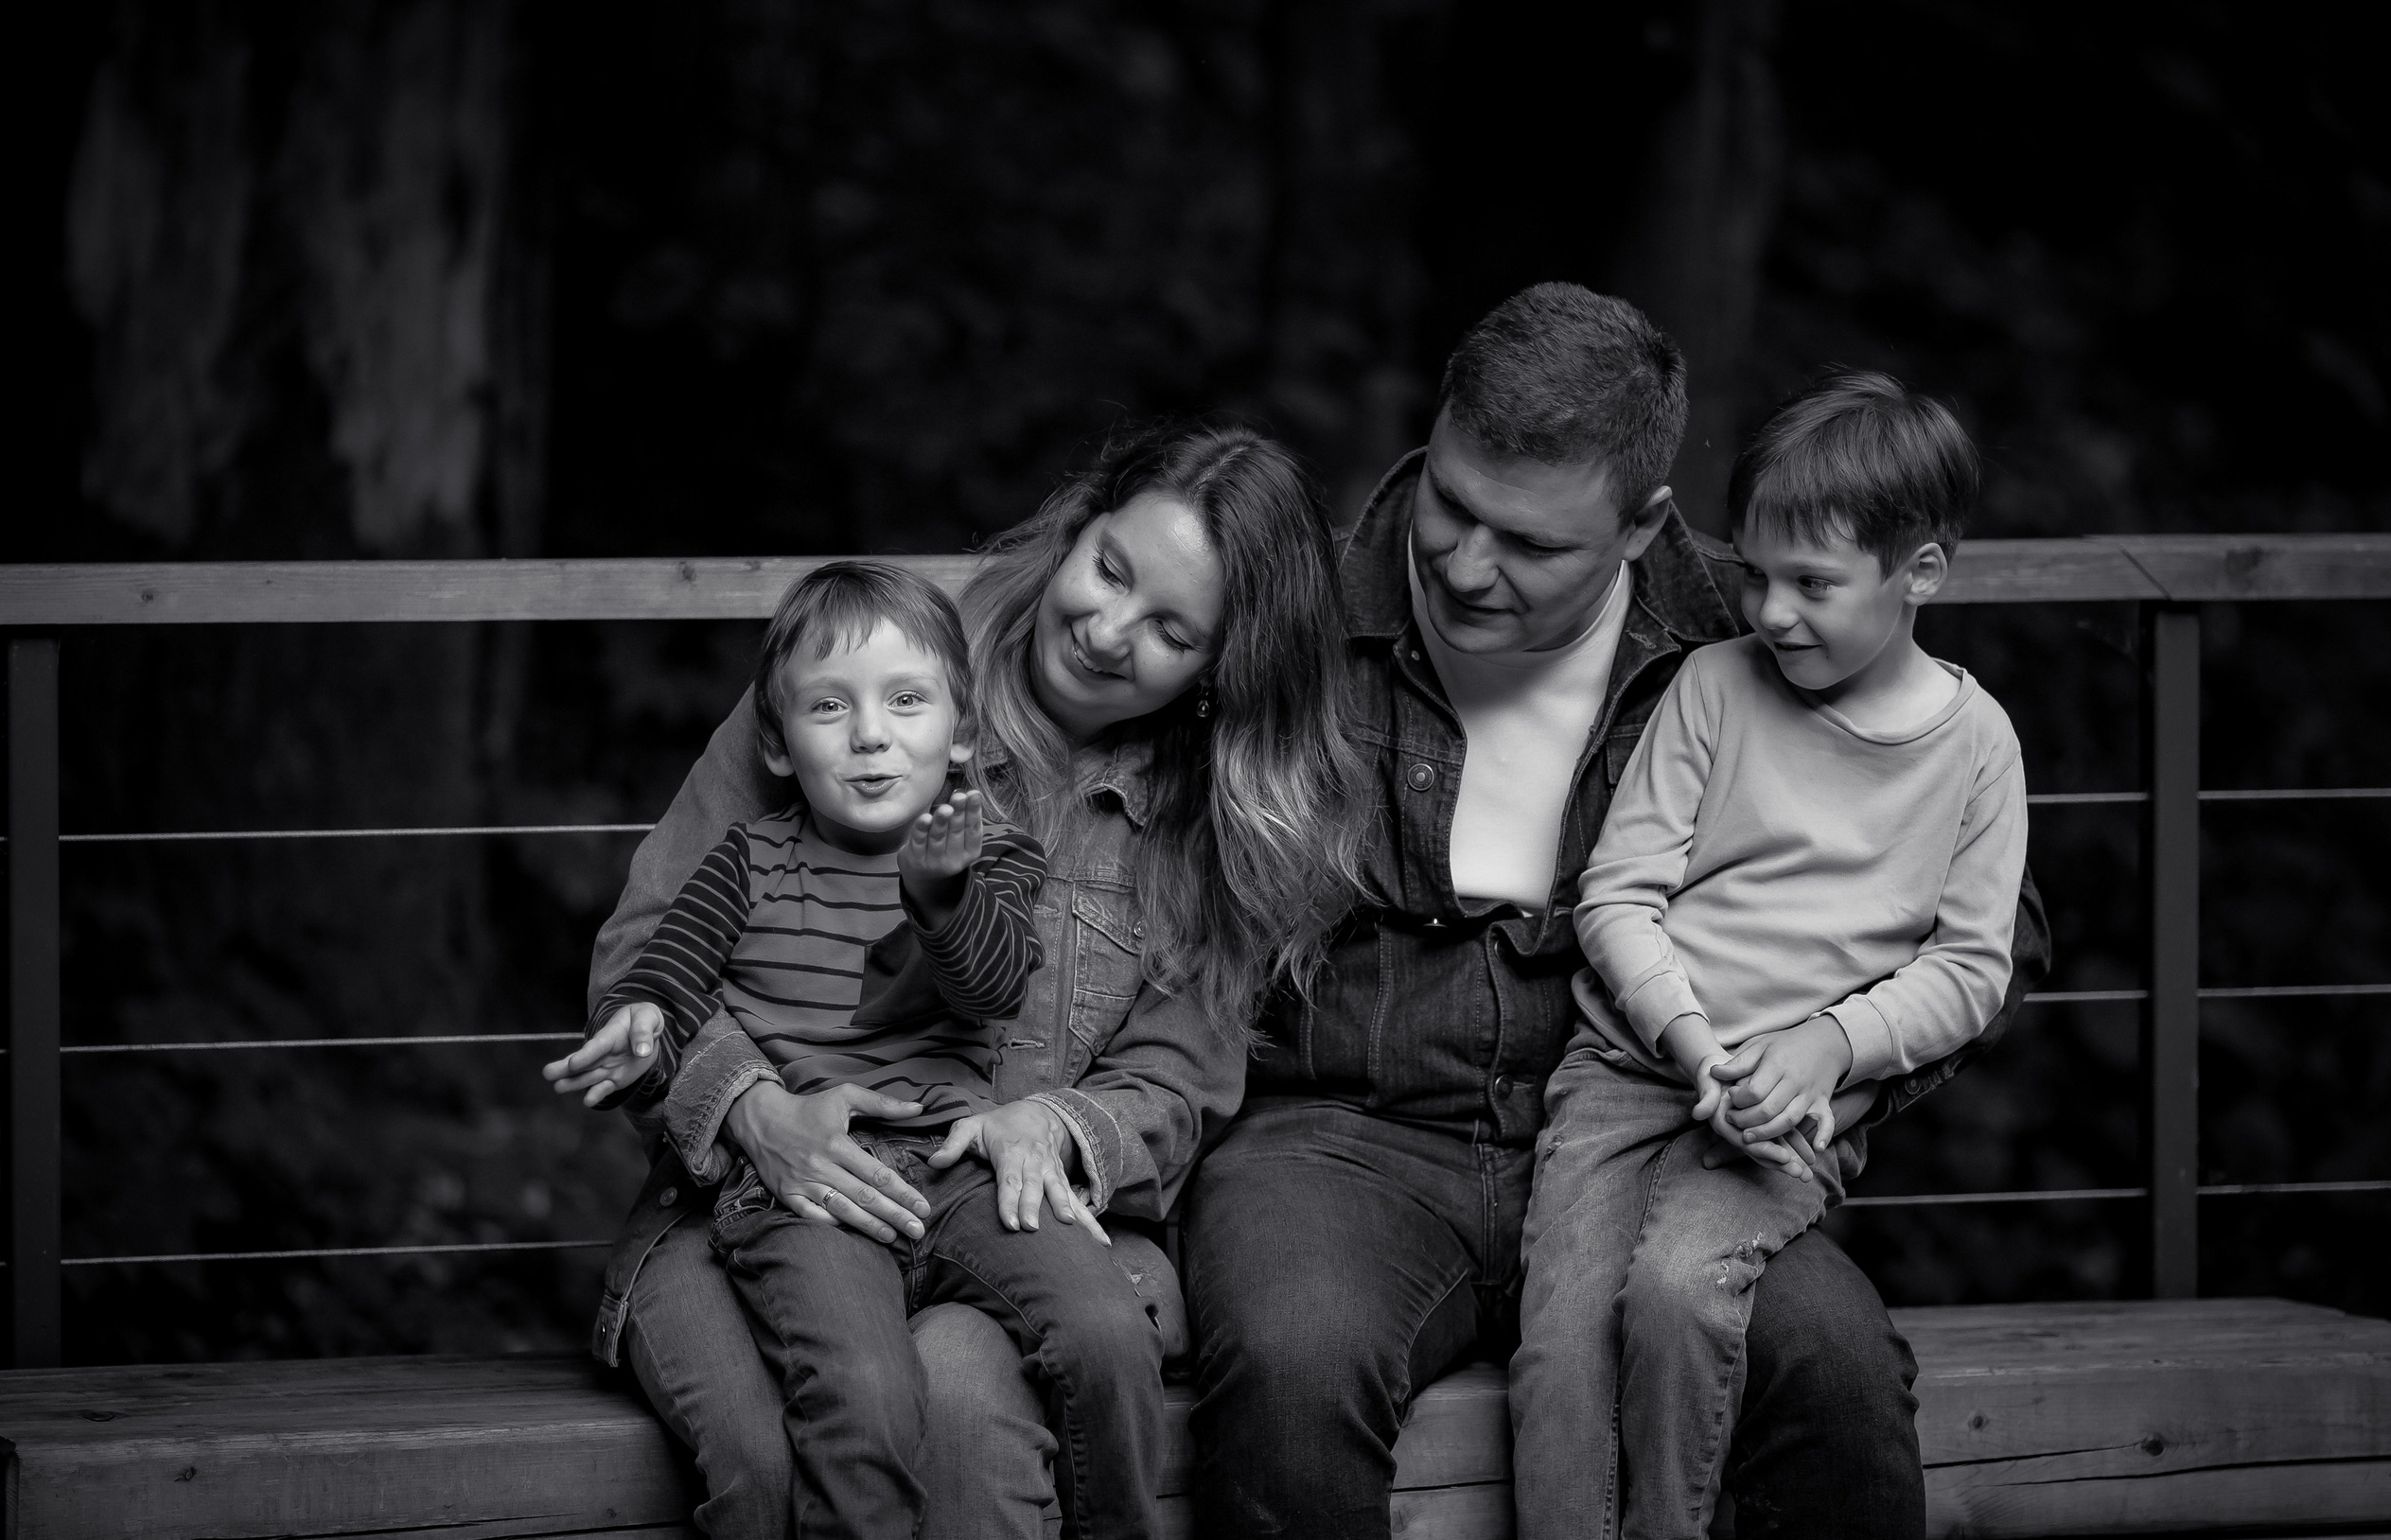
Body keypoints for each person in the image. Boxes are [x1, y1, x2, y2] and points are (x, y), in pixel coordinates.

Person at [1183, 285, 2049, 1540]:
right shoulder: (1295, 618)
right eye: (1451, 506)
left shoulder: (1740, 642)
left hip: (1670, 1144)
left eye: (1530, 545)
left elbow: (1993, 941)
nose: (1469, 565)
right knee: (1293, 1356)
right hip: (1346, 1141)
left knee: (1840, 1374)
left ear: (1645, 525)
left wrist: (1827, 1072)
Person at [544, 420, 1368, 1539]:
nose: (1107, 628)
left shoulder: (1204, 829)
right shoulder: (868, 676)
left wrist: (1058, 1121)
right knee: (789, 1441)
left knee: (964, 1404)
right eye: (1111, 570)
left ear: (1224, 669)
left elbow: (1176, 1087)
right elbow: (643, 954)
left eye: (1171, 628)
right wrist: (754, 1107)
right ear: (1077, 527)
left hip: (1011, 1215)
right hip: (775, 1194)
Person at [1521, 374, 2030, 1537]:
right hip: (1630, 1071)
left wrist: (1824, 1047)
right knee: (1558, 1342)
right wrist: (1698, 1046)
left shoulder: (1978, 745)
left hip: (1796, 1105)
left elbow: (1970, 968)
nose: (1772, 611)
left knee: (1680, 1292)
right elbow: (1616, 896)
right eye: (1753, 573)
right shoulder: (1712, 686)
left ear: (1923, 577)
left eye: (1813, 584)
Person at [580, 558, 1171, 1540]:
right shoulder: (747, 856)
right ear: (774, 741)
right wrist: (645, 1010)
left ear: (962, 731)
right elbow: (668, 962)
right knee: (862, 1387)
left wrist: (940, 894)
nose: (869, 735)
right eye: (829, 708)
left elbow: (990, 984)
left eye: (906, 701)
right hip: (805, 1184)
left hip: (958, 1167)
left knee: (1105, 1327)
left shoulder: (996, 853)